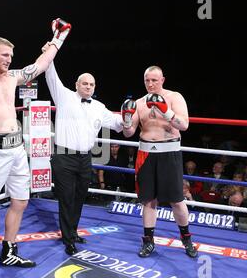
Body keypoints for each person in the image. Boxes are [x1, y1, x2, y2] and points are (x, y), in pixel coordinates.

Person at [0, 0, 70, 278]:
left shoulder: (12, 77)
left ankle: (8, 250)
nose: (9, 59)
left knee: (20, 201)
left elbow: (39, 65)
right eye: (4, 55)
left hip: (16, 149)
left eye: (10, 56)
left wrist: (58, 39)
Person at [45, 52, 127, 256]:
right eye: (85, 84)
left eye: (91, 85)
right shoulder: (63, 96)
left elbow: (118, 124)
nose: (88, 87)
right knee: (67, 198)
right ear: (77, 85)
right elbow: (50, 74)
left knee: (80, 197)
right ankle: (68, 239)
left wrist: (129, 117)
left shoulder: (99, 107)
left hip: (85, 158)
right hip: (64, 157)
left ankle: (72, 232)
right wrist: (50, 51)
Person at [122, 65, 198, 258]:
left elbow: (185, 125)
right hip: (146, 154)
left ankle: (187, 239)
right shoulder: (139, 103)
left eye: (154, 80)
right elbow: (129, 133)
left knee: (177, 200)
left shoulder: (174, 97)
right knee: (148, 200)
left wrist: (167, 112)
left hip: (169, 152)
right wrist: (127, 119)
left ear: (162, 80)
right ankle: (148, 242)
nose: (150, 84)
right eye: (147, 80)